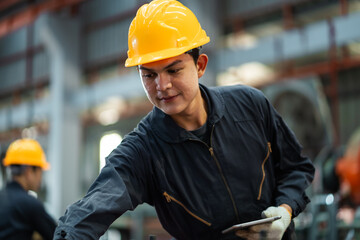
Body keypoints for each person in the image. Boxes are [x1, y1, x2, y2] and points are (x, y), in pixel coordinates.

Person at [53, 0, 315, 239]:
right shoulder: (143, 152)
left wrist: (284, 209)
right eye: (149, 75)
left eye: (173, 69)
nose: (162, 85)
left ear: (200, 65)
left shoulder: (250, 106)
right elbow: (92, 208)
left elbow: (296, 167)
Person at [0, 138, 56, 240]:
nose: (41, 178)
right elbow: (56, 235)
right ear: (29, 171)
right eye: (40, 172)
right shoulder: (30, 204)